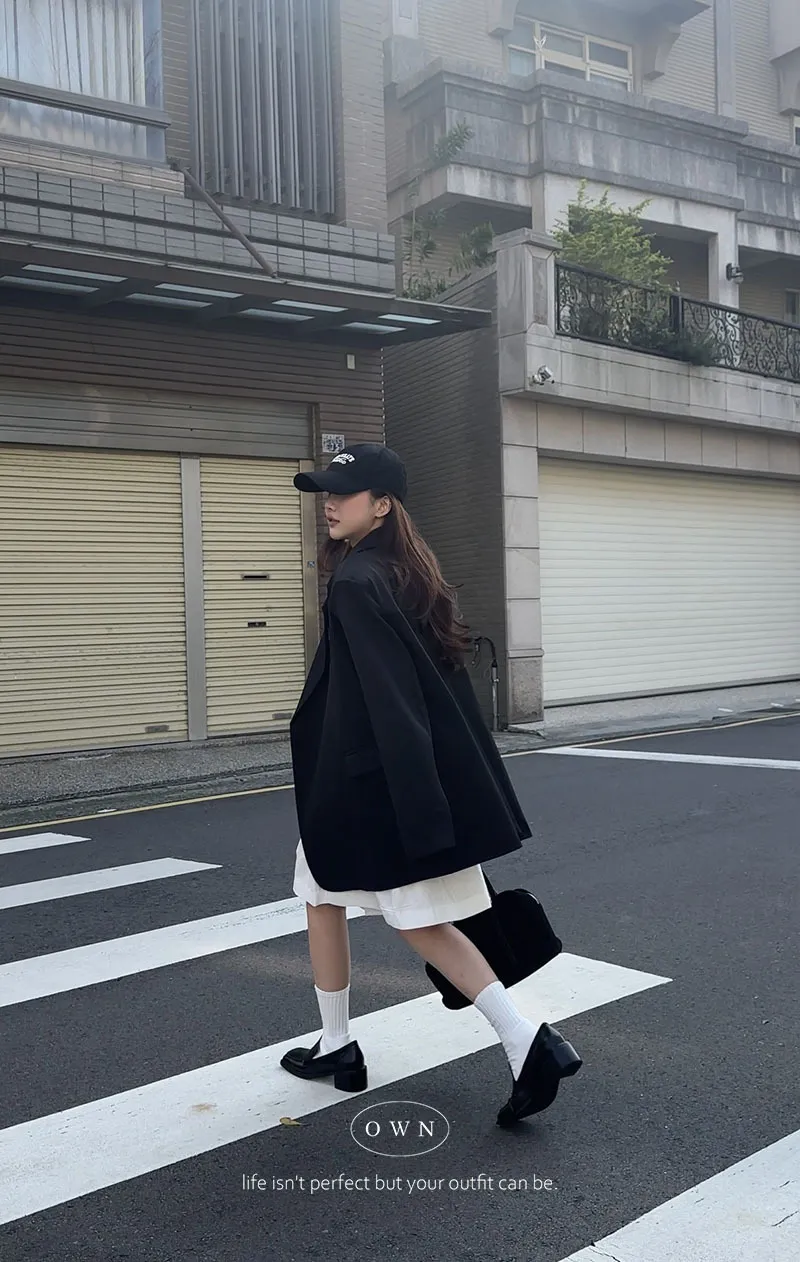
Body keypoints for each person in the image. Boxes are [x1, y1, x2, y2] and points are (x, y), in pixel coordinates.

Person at [279, 443, 581, 1127]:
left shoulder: (357, 582)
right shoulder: (404, 572)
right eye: (326, 493)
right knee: (321, 893)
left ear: (383, 504)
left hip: (381, 788)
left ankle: (527, 1040)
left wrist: (421, 810)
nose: (329, 503)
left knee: (419, 920)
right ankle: (336, 1042)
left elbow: (393, 703)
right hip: (389, 780)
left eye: (344, 493)